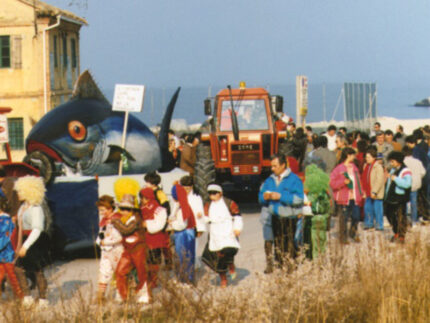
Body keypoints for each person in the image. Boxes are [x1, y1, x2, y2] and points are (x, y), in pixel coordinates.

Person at [258, 154, 304, 267]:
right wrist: (264, 197)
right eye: (271, 166)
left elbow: (299, 199)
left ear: (283, 165)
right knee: (278, 244)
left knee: (289, 245)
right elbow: (260, 196)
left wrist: (280, 197)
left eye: (275, 166)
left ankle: (290, 268)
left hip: (289, 218)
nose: (272, 169)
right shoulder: (269, 180)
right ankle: (280, 268)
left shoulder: (294, 179)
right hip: (275, 217)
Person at [14, 176, 50, 307]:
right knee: (18, 268)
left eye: (19, 191)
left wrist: (26, 246)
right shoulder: (23, 206)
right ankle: (27, 297)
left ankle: (43, 300)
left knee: (37, 270)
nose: (17, 193)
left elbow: (37, 229)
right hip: (23, 238)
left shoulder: (36, 208)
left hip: (34, 241)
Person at [201, 184, 242, 287]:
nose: (212, 196)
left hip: (227, 231)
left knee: (227, 252)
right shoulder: (208, 205)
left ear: (220, 193)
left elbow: (237, 216)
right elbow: (205, 217)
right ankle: (223, 278)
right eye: (210, 194)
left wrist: (237, 228)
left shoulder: (229, 203)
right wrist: (202, 218)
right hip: (215, 233)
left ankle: (231, 265)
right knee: (216, 258)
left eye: (214, 193)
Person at [112, 194, 150, 304]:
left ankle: (143, 295)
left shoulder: (136, 219)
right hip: (128, 250)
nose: (124, 211)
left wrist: (115, 222)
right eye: (122, 209)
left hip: (139, 249)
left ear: (133, 209)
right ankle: (123, 295)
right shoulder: (123, 219)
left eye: (127, 209)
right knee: (120, 271)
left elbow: (127, 230)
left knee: (141, 271)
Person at [330, 148, 363, 244]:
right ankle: (343, 237)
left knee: (356, 216)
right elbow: (332, 183)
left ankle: (352, 233)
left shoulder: (354, 167)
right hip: (344, 197)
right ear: (348, 155)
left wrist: (361, 191)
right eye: (353, 155)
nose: (354, 157)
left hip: (355, 197)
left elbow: (358, 181)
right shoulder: (338, 169)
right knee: (343, 218)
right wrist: (343, 182)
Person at [95, 195, 123, 304]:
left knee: (119, 272)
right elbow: (101, 233)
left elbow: (119, 237)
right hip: (106, 251)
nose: (101, 212)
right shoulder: (104, 221)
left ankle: (120, 295)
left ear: (110, 208)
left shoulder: (117, 219)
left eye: (103, 210)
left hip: (117, 249)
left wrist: (107, 242)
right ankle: (100, 296)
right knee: (104, 271)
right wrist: (99, 241)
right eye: (100, 210)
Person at [139, 188, 169, 289]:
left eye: (145, 198)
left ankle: (153, 281)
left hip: (155, 239)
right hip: (143, 239)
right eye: (142, 198)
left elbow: (159, 224)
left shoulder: (159, 210)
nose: (143, 200)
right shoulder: (140, 209)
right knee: (144, 261)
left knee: (153, 261)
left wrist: (146, 224)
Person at [143, 171, 173, 268]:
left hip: (160, 221)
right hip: (152, 221)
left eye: (147, 182)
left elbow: (166, 207)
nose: (145, 184)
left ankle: (169, 262)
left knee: (165, 244)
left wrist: (164, 221)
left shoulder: (160, 194)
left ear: (153, 183)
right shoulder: (149, 192)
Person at [169, 184, 196, 283]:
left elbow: (181, 224)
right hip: (182, 234)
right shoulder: (180, 204)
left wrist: (172, 223)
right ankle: (181, 277)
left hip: (184, 235)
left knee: (184, 257)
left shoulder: (183, 208)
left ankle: (186, 280)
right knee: (180, 257)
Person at [384, 151, 412, 243]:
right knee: (389, 215)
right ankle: (396, 231)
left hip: (400, 198)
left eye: (392, 161)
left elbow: (407, 184)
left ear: (398, 161)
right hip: (391, 198)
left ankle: (401, 235)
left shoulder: (406, 170)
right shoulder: (393, 169)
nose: (391, 163)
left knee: (400, 217)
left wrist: (395, 179)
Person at [179, 176, 206, 268]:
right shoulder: (179, 197)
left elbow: (201, 212)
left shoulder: (196, 198)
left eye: (188, 188)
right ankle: (186, 264)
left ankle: (193, 264)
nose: (186, 190)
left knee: (194, 245)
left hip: (194, 225)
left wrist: (200, 228)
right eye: (184, 188)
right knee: (183, 247)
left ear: (192, 187)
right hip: (182, 225)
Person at [0, 196, 23, 300]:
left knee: (12, 276)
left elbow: (5, 237)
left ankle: (21, 297)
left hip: (6, 253)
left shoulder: (6, 221)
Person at [361, 147, 385, 231]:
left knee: (377, 209)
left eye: (369, 157)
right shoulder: (366, 166)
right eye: (366, 157)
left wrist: (374, 191)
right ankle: (369, 223)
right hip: (367, 191)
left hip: (376, 193)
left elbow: (379, 180)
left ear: (374, 157)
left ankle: (379, 225)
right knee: (367, 208)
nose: (366, 159)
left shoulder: (378, 167)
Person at [402, 146, 426, 227]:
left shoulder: (403, 162)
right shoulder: (417, 161)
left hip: (405, 185)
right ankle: (414, 221)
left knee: (404, 203)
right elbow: (423, 172)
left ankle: (404, 220)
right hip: (415, 184)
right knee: (414, 203)